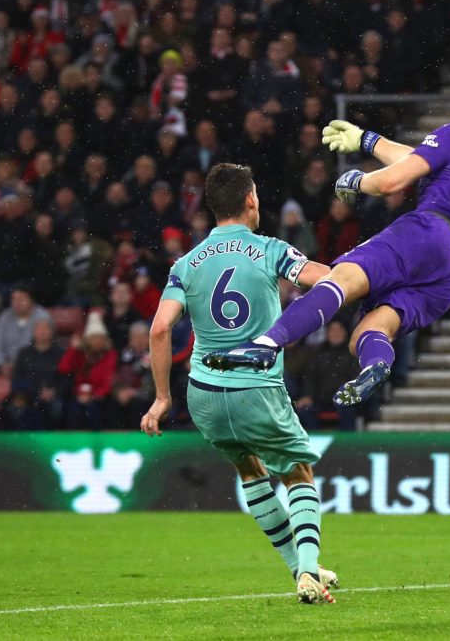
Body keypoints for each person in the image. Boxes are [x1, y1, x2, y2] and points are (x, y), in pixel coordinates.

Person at [204, 87, 450, 410]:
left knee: (341, 278)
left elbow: (391, 182)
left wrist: (356, 180)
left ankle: (266, 345)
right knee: (367, 334)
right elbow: (415, 160)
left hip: (429, 233)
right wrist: (365, 139)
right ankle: (375, 366)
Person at [139, 163, 337, 605]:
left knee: (249, 468)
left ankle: (298, 568)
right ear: (251, 200)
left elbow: (158, 330)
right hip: (256, 387)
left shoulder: (186, 264)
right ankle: (307, 571)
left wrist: (161, 398)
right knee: (297, 473)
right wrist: (361, 274)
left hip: (204, 394)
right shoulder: (269, 249)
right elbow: (322, 278)